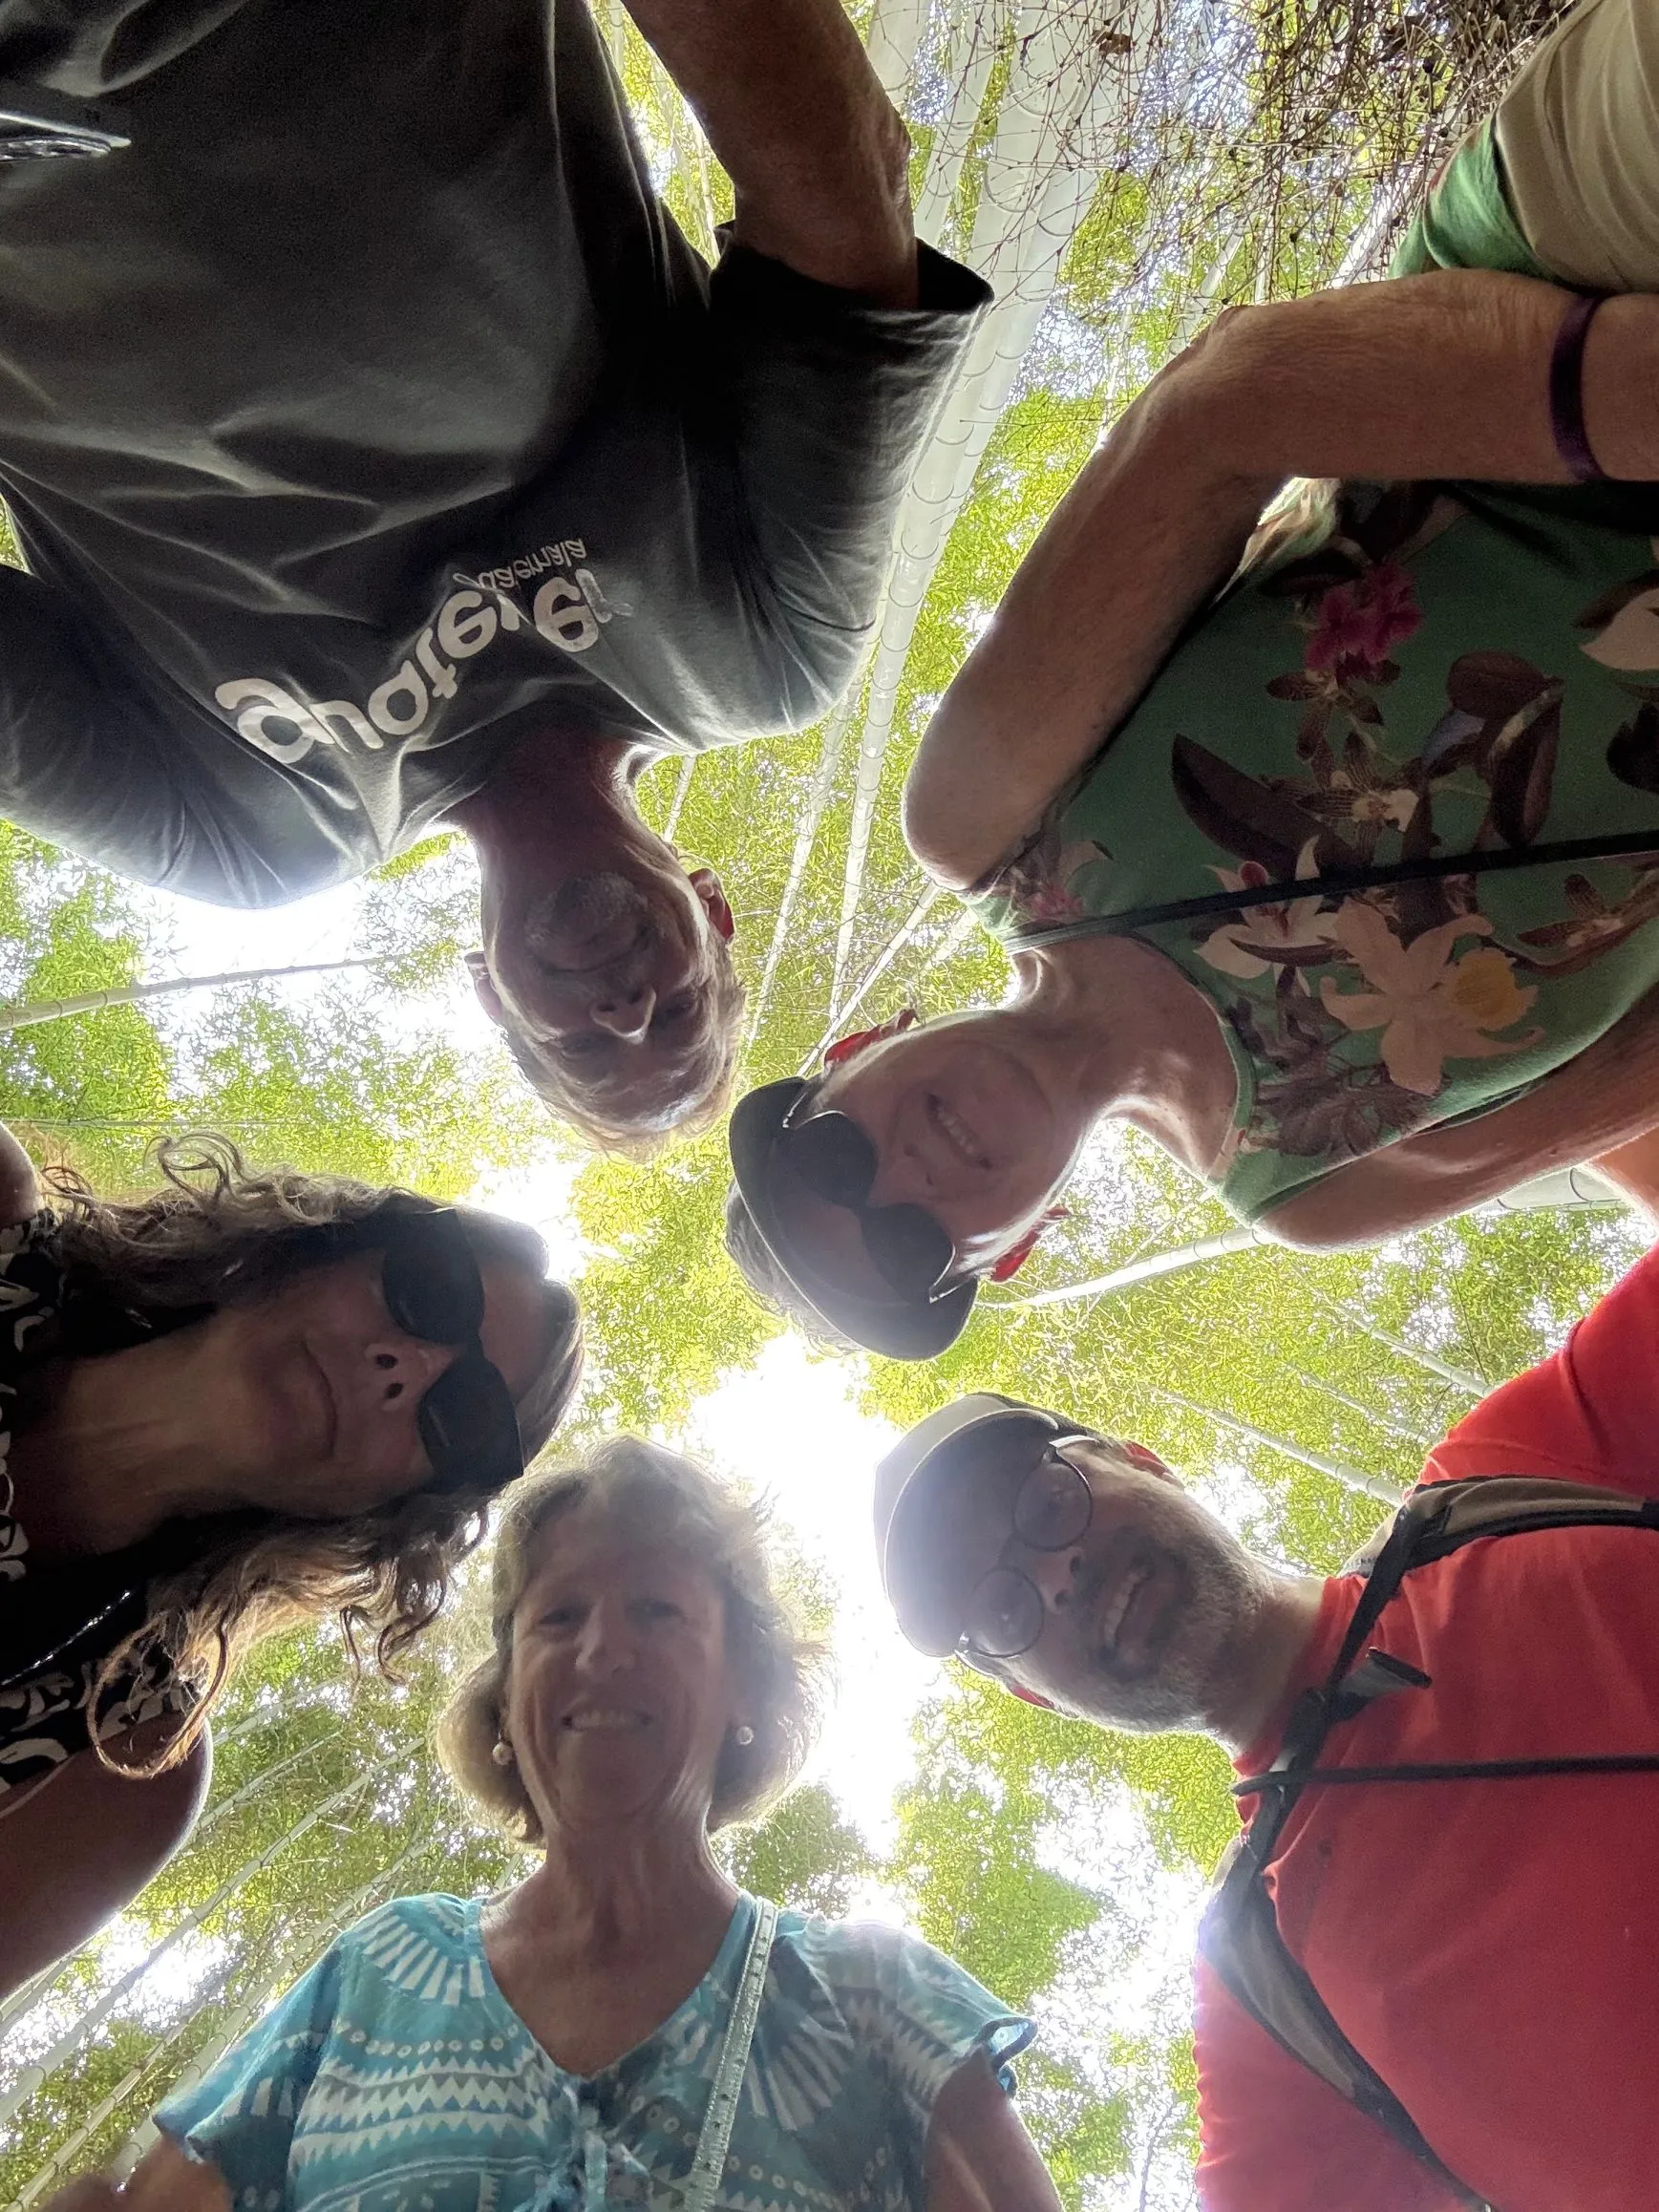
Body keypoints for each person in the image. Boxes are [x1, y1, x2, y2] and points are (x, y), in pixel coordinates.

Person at [725, 0, 1659, 1352]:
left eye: (834, 1157)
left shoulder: (989, 820)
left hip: (1577, 296)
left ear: (853, 1052)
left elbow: (1228, 405)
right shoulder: (1323, 1187)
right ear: (1014, 1250)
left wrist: (1621, 396)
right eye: (909, 1245)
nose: (904, 1175)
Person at [0, 0, 989, 1150]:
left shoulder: (251, 839)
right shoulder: (766, 655)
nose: (623, 1012)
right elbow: (849, 268)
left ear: (488, 994)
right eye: (678, 1014)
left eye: (583, 1048)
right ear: (713, 908)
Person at [46, 1437, 1064, 2212]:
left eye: (657, 1610)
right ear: (504, 1706)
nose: (602, 1649)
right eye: (559, 1616)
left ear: (747, 1689)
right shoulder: (379, 1970)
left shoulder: (878, 1996)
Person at [868, 1228, 1659, 2210]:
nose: (1056, 1576)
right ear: (1037, 1694)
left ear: (1144, 1461)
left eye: (1043, 1503)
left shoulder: (1513, 1479)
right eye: (1001, 1611)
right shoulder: (1267, 2003)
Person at [0, 1125, 582, 2002]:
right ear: (325, 1245)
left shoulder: (119, 1764)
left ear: (389, 1510)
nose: (404, 1368)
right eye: (430, 1290)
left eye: (463, 1417)